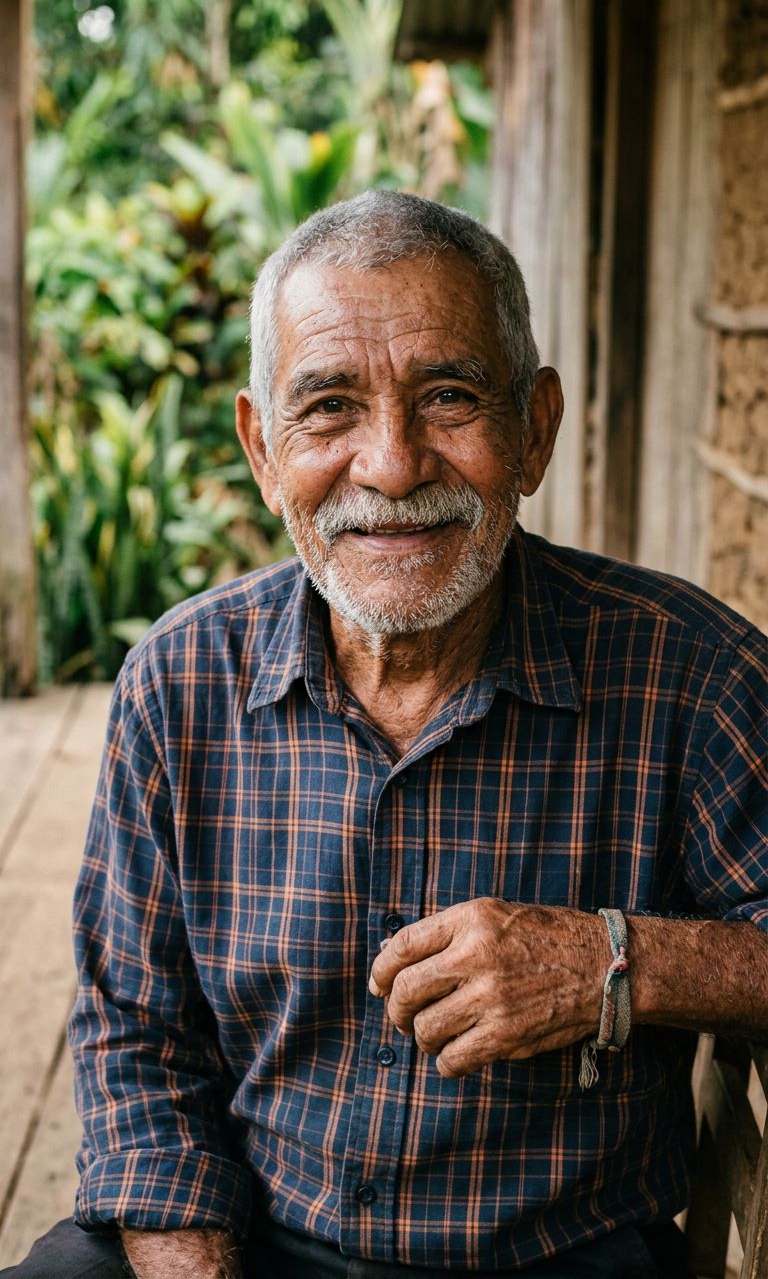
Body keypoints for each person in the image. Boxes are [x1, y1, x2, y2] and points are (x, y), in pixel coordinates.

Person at [5, 191, 766, 1279]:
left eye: (450, 397)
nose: (393, 465)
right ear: (263, 449)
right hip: (246, 1236)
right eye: (329, 409)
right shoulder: (178, 683)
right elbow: (136, 1036)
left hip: (553, 1252)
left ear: (535, 427)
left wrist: (613, 959)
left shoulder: (688, 671)